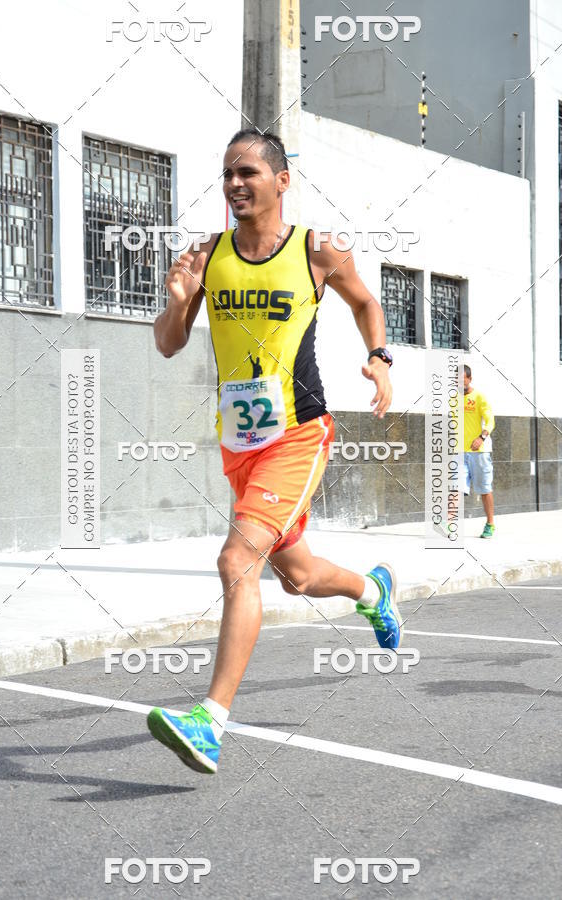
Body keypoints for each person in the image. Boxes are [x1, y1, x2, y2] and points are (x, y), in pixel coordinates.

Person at [148, 129, 401, 775]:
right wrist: (177, 305)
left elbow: (366, 301)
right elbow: (169, 344)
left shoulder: (317, 249)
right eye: (228, 174)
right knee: (298, 576)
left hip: (298, 433)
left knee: (237, 560)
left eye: (248, 173)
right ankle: (372, 590)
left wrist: (378, 358)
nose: (235, 184)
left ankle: (210, 721)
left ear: (282, 181)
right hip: (240, 443)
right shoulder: (207, 255)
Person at [463, 364, 495, 538]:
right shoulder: (452, 399)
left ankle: (490, 523)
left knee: (484, 489)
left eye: (463, 380)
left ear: (470, 379)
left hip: (480, 452)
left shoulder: (479, 397)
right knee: (455, 488)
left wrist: (481, 438)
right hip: (459, 452)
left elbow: (490, 421)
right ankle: (449, 524)